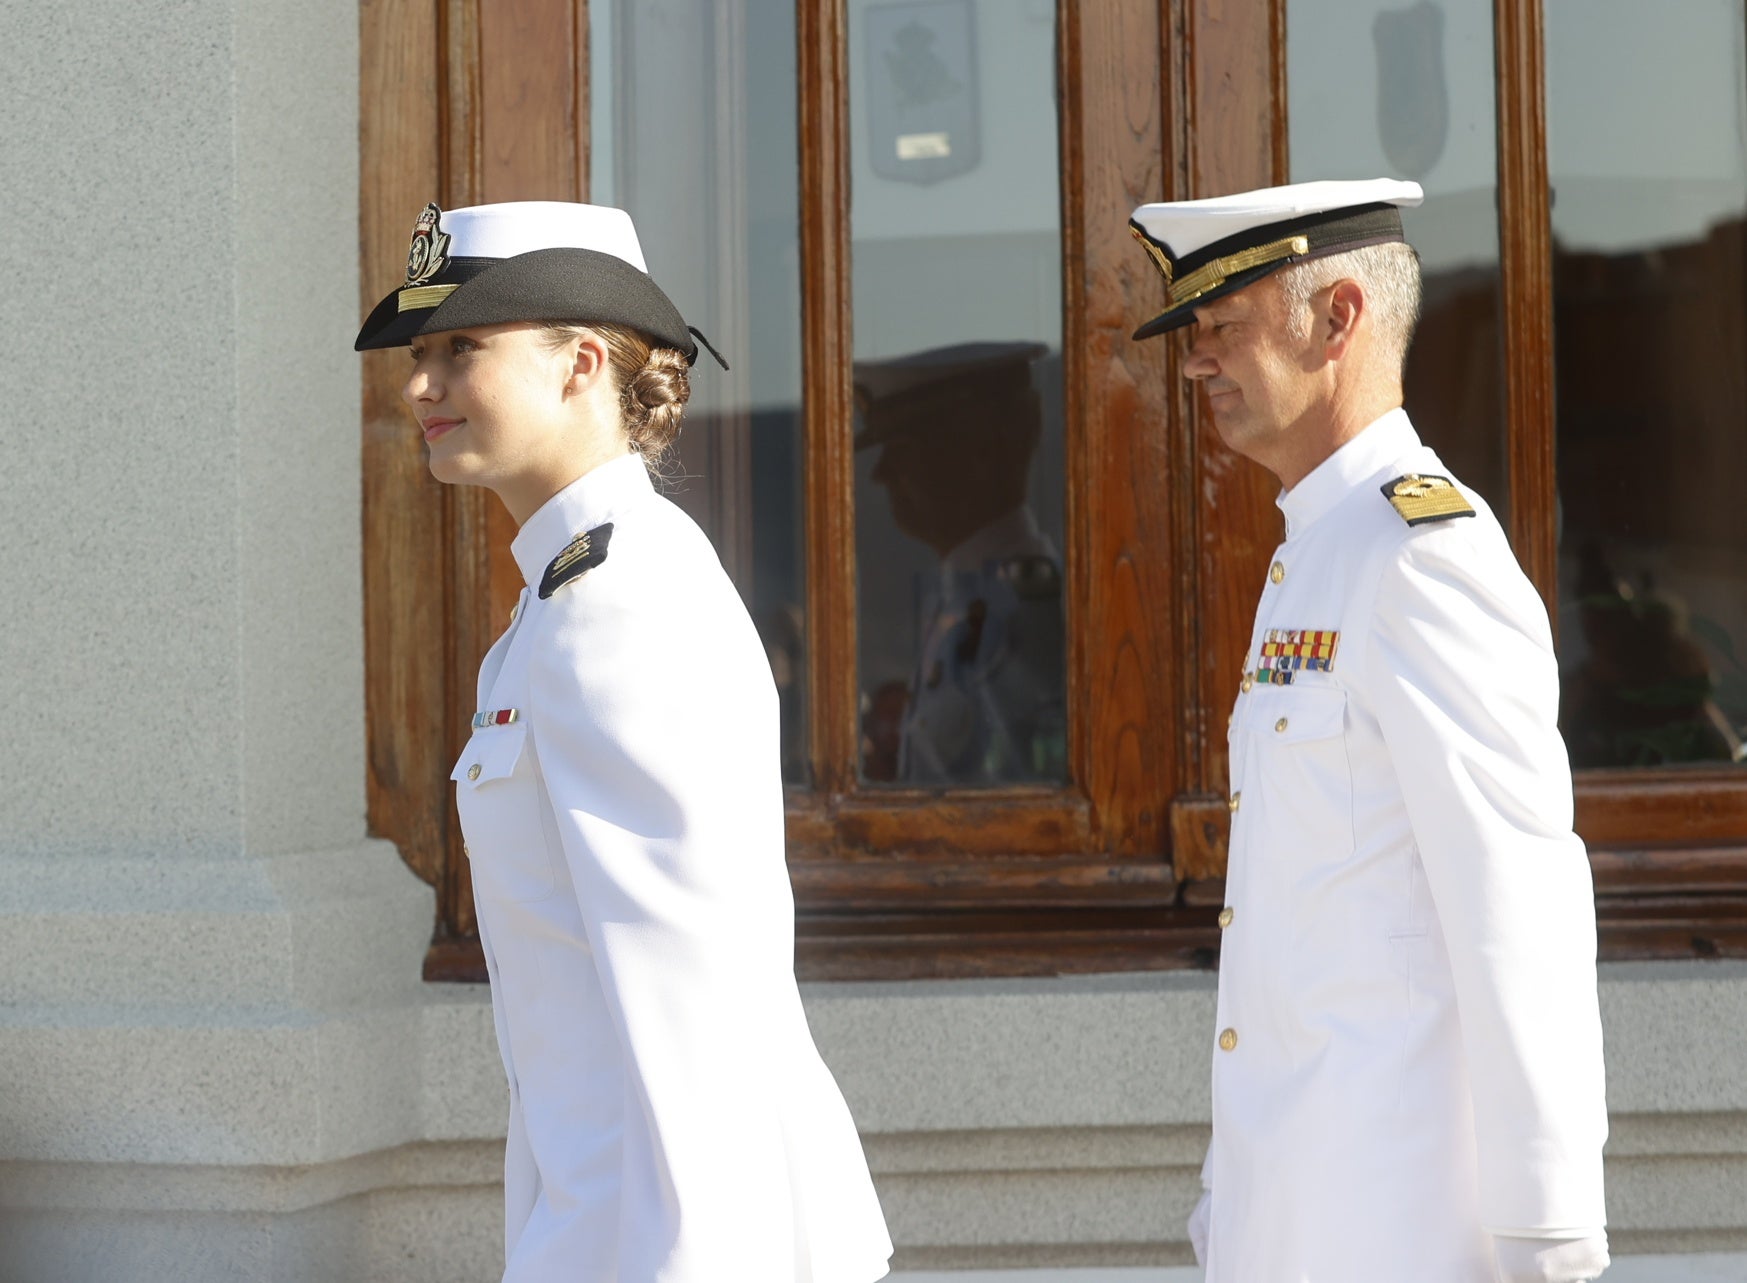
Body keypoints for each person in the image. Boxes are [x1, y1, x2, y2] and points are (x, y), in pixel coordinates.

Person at [355, 200, 893, 1283]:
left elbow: (694, 992)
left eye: (462, 348)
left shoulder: (618, 605)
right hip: (603, 1220)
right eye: (421, 353)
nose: (421, 386)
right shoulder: (560, 604)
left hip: (668, 1237)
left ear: (581, 364)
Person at [1127, 180, 1610, 1282]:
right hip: (1297, 1212)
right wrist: (1229, 1202)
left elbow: (1516, 898)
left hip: (1402, 1227)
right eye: (1192, 333)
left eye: (1223, 326)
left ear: (1337, 317)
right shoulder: (1320, 549)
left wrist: (1546, 1228)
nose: (1195, 361)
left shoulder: (1420, 554)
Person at [853, 342, 1066, 785]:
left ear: (983, 450)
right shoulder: (968, 595)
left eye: (902, 446)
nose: (882, 473)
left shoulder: (1027, 613)